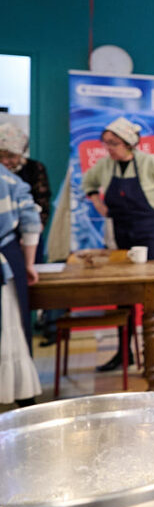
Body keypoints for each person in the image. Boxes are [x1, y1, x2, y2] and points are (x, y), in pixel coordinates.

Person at [82, 117, 154, 375]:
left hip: (149, 233)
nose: (108, 148)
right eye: (106, 143)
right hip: (120, 235)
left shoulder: (150, 163)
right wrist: (98, 203)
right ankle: (124, 354)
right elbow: (88, 183)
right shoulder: (104, 166)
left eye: (113, 143)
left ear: (128, 143)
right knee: (123, 295)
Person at [0, 123, 56, 345]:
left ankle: (39, 321)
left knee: (23, 296)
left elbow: (40, 207)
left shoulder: (33, 170)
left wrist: (29, 236)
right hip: (12, 244)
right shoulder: (12, 182)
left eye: (11, 157)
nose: (6, 162)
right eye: (2, 156)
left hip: (23, 240)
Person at [0, 163, 42, 406]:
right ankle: (23, 399)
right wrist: (29, 263)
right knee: (10, 326)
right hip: (8, 260)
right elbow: (30, 222)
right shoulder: (9, 179)